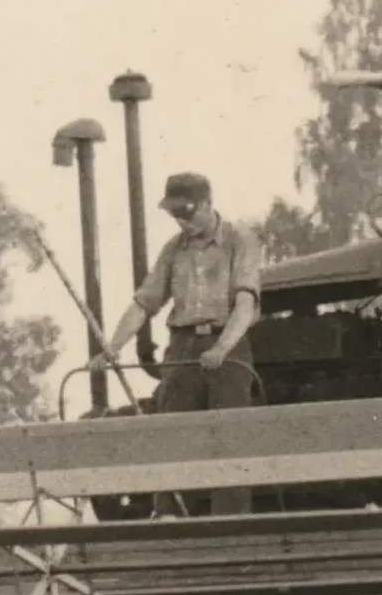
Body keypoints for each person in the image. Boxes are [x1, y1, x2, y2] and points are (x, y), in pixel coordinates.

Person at [91, 171, 262, 516]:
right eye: (175, 215)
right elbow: (145, 303)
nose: (182, 222)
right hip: (182, 349)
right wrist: (113, 346)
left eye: (187, 212)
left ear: (207, 203)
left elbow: (245, 304)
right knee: (171, 432)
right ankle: (168, 514)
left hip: (227, 347)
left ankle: (230, 522)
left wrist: (221, 348)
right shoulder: (173, 249)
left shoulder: (239, 241)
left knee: (229, 437)